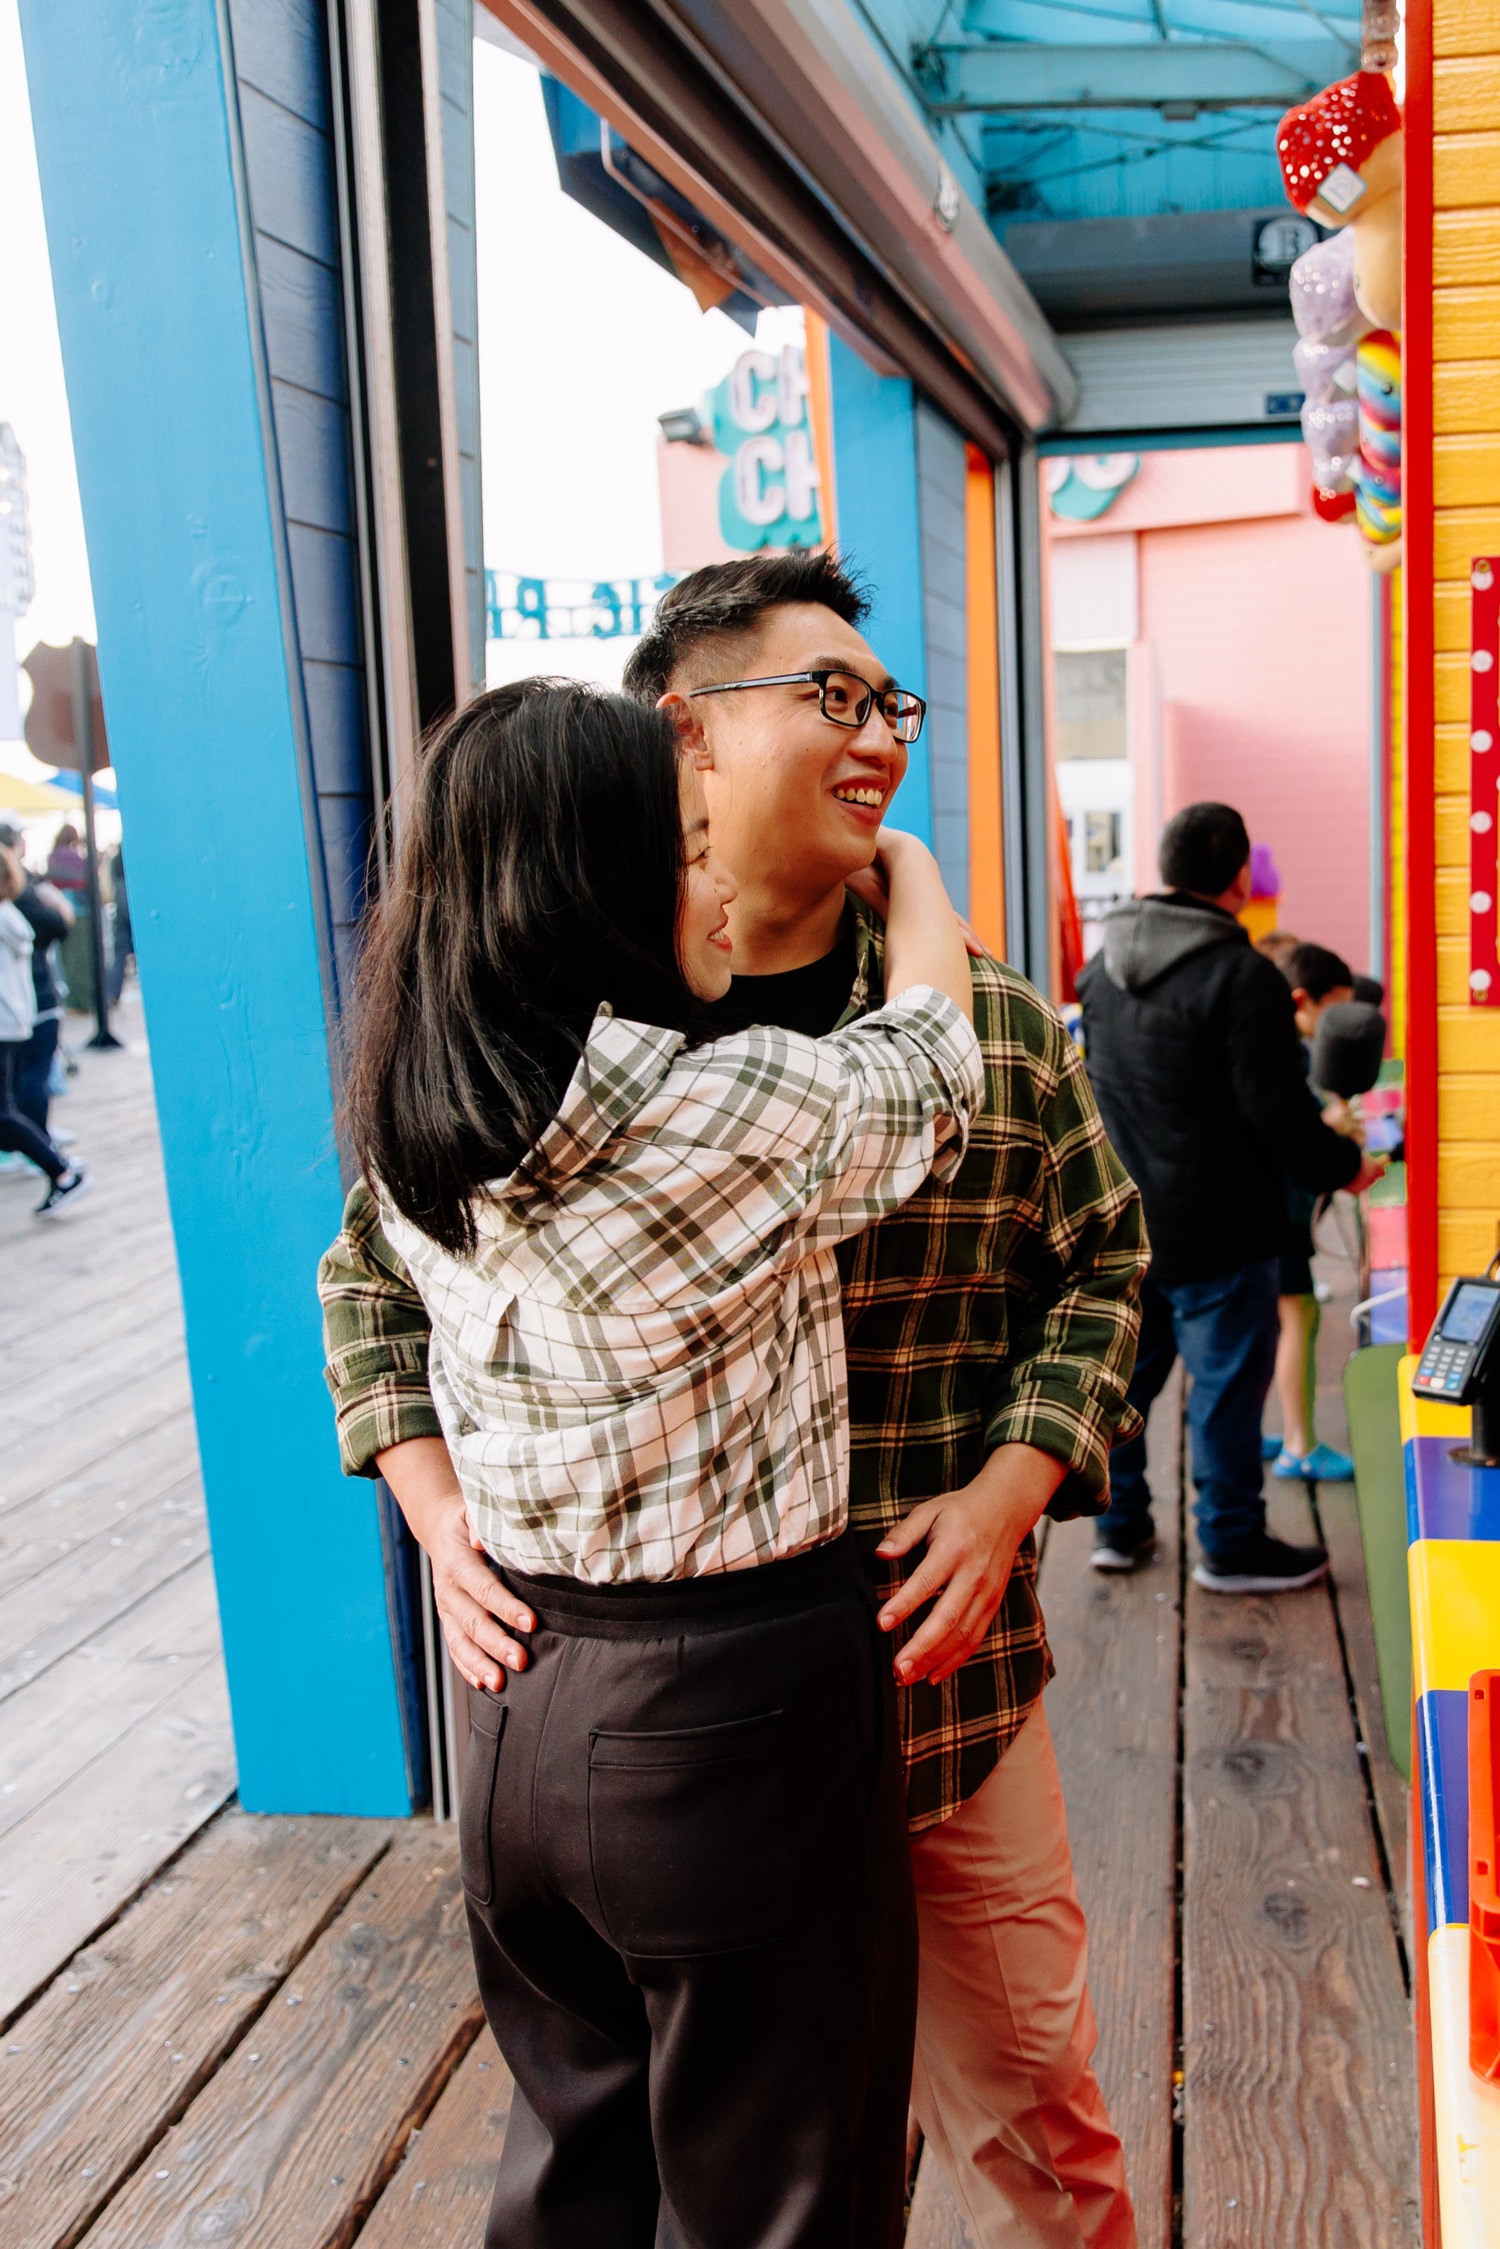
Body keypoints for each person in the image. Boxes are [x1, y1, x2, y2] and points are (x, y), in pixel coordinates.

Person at [322, 550, 1148, 2249]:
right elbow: (364, 1284)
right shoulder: (562, 1012)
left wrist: (1009, 1491)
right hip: (700, 1724)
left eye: (891, 704)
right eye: (829, 697)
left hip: (940, 1689)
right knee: (765, 2169)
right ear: (680, 733)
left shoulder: (983, 1012)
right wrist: (434, 1506)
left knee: (1038, 2119)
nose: (881, 739)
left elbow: (1109, 1264)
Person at [1078, 804, 1383, 1594]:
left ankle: (1118, 1525)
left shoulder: (1098, 969)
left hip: (1126, 1221)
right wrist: (1345, 1164)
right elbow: (1278, 1110)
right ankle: (1232, 1545)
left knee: (1128, 1384)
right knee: (1223, 1389)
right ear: (1240, 878)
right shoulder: (1241, 974)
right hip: (1222, 1227)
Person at [1265, 941, 1362, 1483]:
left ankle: (1285, 1435)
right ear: (1304, 1000)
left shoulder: (1291, 1050)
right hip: (1276, 1209)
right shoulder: (1280, 1051)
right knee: (1297, 1315)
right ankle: (1299, 1445)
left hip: (1280, 1208)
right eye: (1334, 1011)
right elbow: (1282, 1133)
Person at [0, 841, 91, 1218]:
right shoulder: (13, 915)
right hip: (18, 1019)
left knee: (8, 1109)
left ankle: (61, 1169)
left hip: (10, 1022)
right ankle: (58, 1166)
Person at [0, 822, 76, 1142]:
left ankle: (35, 1142)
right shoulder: (22, 904)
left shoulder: (15, 908)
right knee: (29, 1080)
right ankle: (39, 1145)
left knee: (22, 1084)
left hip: (20, 1006)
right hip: (28, 1003)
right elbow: (57, 924)